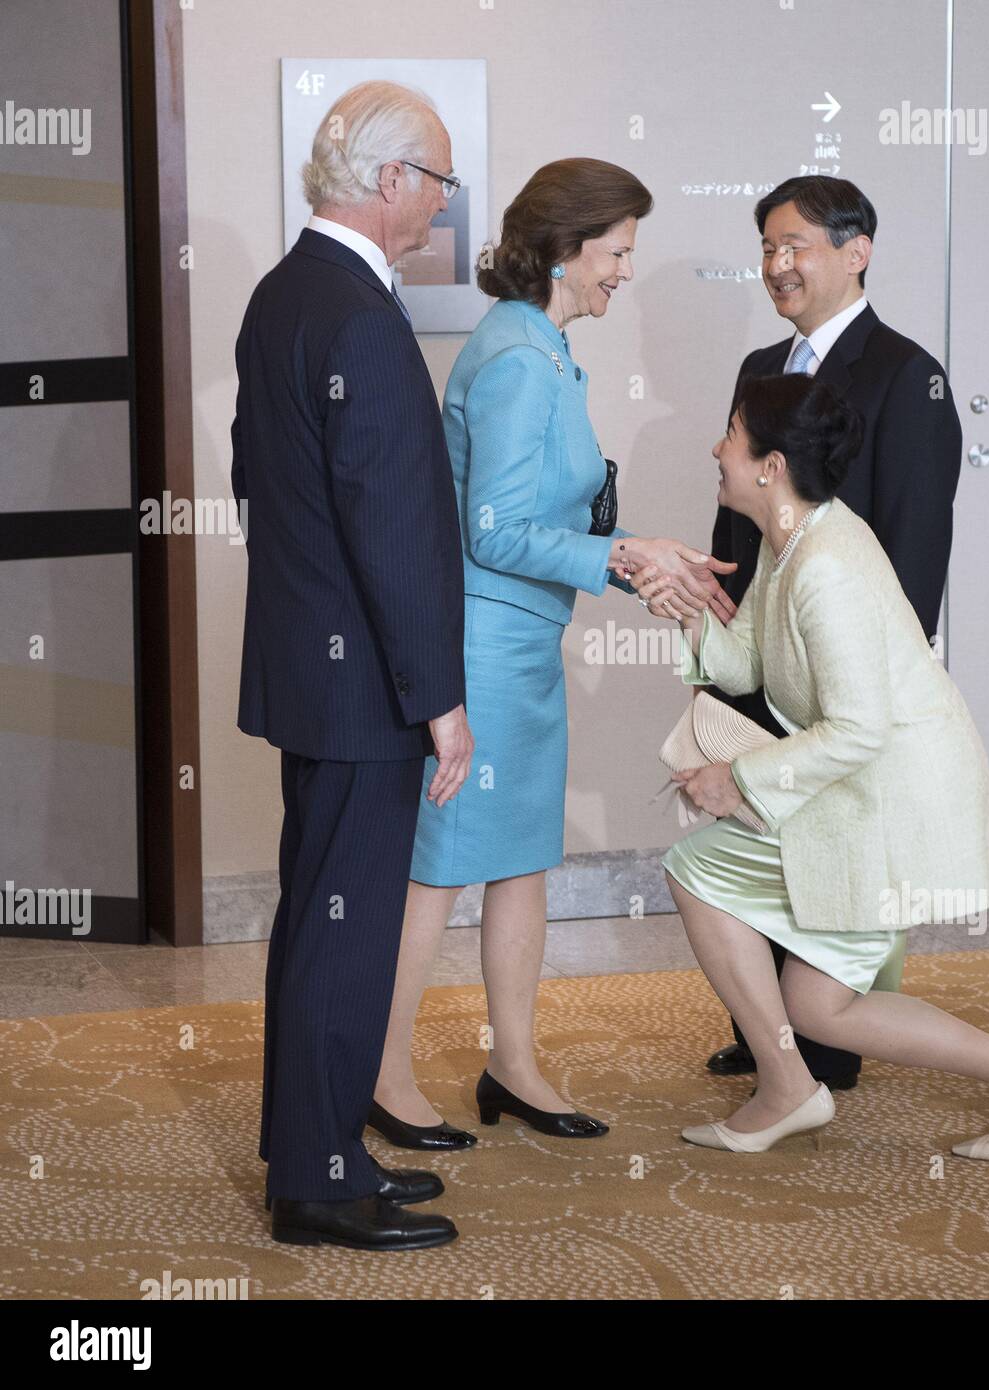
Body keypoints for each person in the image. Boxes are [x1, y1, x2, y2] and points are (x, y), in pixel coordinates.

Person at [367, 158, 737, 1150]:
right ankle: (385, 1072)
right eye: (616, 253)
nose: (624, 272)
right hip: (481, 651)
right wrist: (627, 556)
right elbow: (492, 532)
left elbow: (544, 516)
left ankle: (514, 1063)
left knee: (523, 859)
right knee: (438, 868)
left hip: (524, 647)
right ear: (567, 251)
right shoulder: (524, 357)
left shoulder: (544, 344)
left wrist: (637, 557)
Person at [639, 374, 989, 1160]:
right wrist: (686, 607)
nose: (718, 449)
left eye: (732, 434)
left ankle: (791, 1088)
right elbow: (743, 666)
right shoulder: (792, 542)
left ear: (770, 465)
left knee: (706, 881)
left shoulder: (826, 567)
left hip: (888, 801)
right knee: (818, 1003)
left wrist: (734, 779)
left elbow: (856, 730)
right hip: (855, 794)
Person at [232, 81, 473, 1250]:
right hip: (366, 683)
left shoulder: (283, 295)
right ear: (391, 185)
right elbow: (392, 528)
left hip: (311, 667)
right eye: (437, 180)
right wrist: (439, 699)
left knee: (316, 914)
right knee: (344, 922)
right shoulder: (361, 316)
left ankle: (313, 1138)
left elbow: (257, 487)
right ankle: (319, 1182)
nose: (441, 203)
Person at [705, 174, 963, 1090]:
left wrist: (879, 674)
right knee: (769, 839)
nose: (776, 264)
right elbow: (737, 523)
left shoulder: (905, 372)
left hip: (847, 667)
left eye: (794, 246)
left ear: (855, 252)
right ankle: (769, 1028)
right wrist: (722, 648)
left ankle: (831, 1036)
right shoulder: (760, 371)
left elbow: (915, 542)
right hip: (766, 652)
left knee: (843, 841)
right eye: (767, 247)